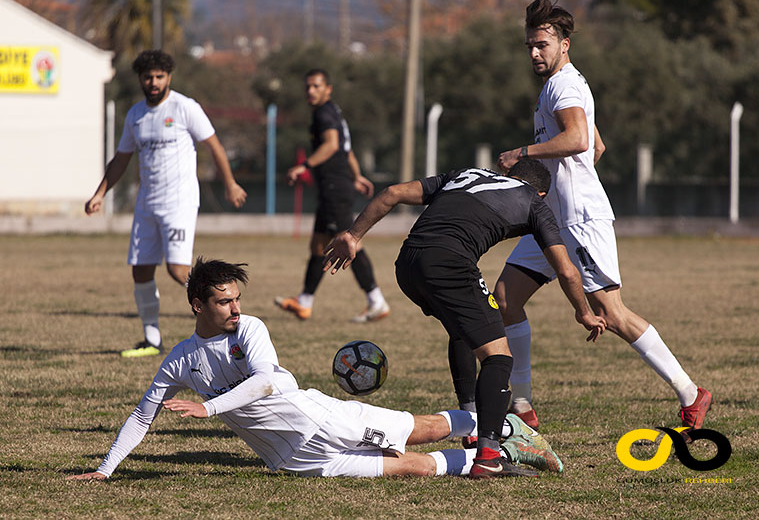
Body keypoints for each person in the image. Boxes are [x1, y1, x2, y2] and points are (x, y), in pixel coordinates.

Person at [65, 257, 563, 481]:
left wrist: (208, 408)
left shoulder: (250, 329)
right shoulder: (180, 360)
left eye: (238, 299)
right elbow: (142, 416)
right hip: (295, 460)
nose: (235, 309)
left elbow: (263, 382)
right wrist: (105, 469)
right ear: (198, 304)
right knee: (409, 469)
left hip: (322, 418)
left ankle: (500, 426)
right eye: (223, 302)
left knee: (417, 431)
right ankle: (514, 457)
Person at [493, 0, 711, 436]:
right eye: (530, 46)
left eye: (542, 45)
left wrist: (524, 153)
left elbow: (577, 139)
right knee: (505, 296)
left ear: (564, 44)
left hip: (578, 220)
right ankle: (521, 405)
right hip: (551, 218)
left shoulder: (564, 86)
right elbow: (597, 146)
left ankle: (691, 393)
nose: (535, 53)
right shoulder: (560, 85)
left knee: (611, 314)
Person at [323, 159, 606, 478]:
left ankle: (471, 421)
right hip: (449, 265)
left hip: (408, 264)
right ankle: (488, 456)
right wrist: (584, 312)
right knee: (499, 357)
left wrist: (353, 235)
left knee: (463, 330)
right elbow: (566, 269)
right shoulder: (534, 203)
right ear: (541, 193)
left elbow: (392, 193)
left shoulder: (466, 173)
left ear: (509, 176)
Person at [85, 50, 247, 358]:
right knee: (141, 271)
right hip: (147, 203)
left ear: (169, 77)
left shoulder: (185, 108)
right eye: (148, 77)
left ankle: (228, 315)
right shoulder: (135, 115)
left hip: (179, 202)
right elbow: (121, 159)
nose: (154, 82)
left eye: (160, 76)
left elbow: (214, 146)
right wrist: (100, 193)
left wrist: (230, 183)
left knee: (177, 269)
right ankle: (151, 339)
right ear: (141, 79)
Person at [274, 69, 389, 323]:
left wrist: (304, 165)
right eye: (308, 87)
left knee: (349, 242)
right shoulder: (333, 111)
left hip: (335, 188)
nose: (311, 91)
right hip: (335, 186)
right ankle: (304, 302)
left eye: (316, 86)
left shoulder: (324, 113)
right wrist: (357, 175)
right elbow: (346, 150)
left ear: (328, 88)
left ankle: (376, 300)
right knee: (318, 245)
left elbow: (333, 145)